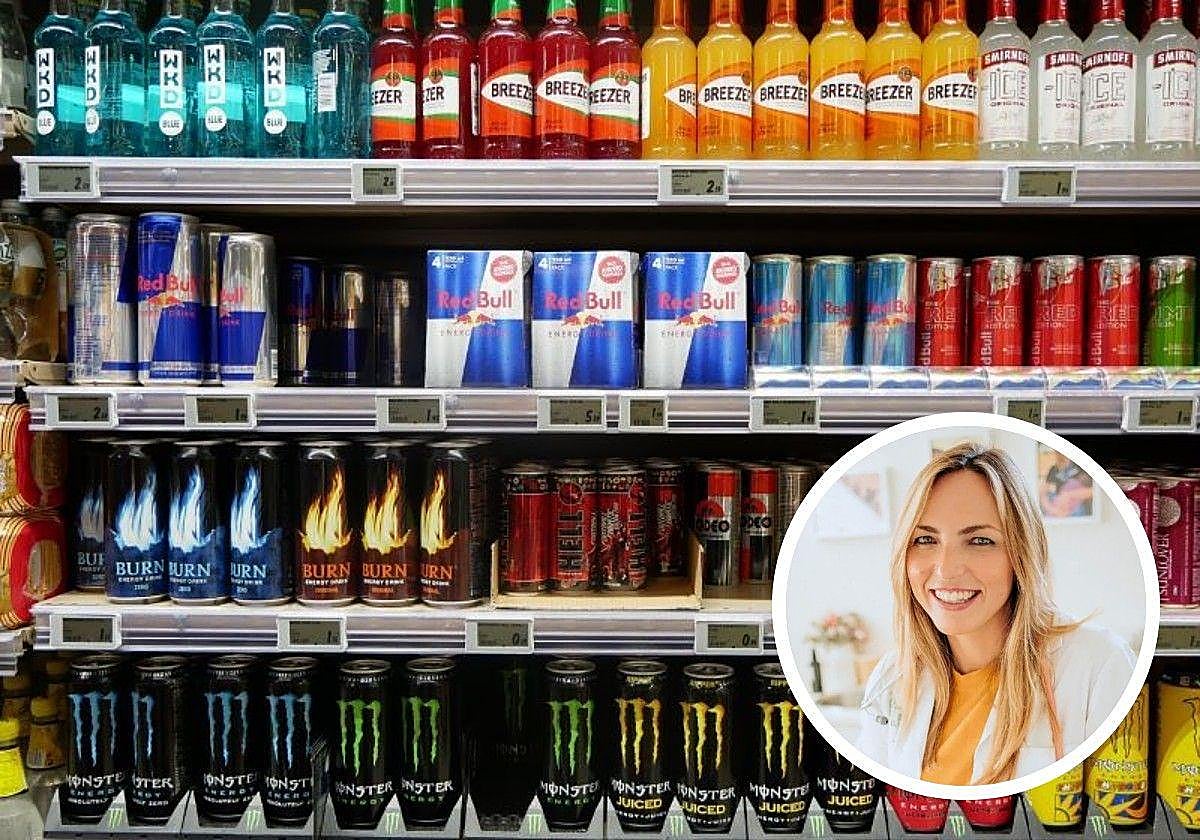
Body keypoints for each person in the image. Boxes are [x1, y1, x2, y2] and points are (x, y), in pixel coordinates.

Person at [855, 443, 1135, 785]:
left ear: (1021, 553)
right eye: (926, 540)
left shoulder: (1100, 665)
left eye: (980, 541)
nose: (946, 570)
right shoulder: (891, 678)